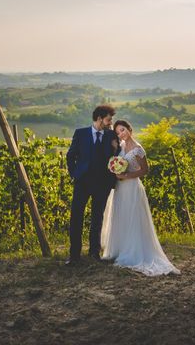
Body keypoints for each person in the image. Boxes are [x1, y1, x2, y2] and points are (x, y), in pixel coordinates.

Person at [101, 119, 180, 276]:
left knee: (133, 218)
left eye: (122, 130)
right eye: (118, 132)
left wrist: (127, 175)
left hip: (132, 187)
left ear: (130, 129)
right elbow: (116, 161)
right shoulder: (121, 147)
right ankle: (120, 249)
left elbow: (145, 170)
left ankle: (133, 252)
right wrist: (116, 171)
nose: (121, 134)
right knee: (121, 217)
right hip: (120, 188)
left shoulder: (138, 149)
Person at [65, 105, 119, 265]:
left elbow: (116, 160)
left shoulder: (111, 135)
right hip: (82, 183)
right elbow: (70, 156)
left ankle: (94, 253)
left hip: (102, 184)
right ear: (99, 118)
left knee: (97, 218)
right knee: (76, 217)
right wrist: (75, 174)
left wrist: (116, 150)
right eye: (109, 120)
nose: (111, 123)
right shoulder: (81, 133)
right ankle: (74, 255)